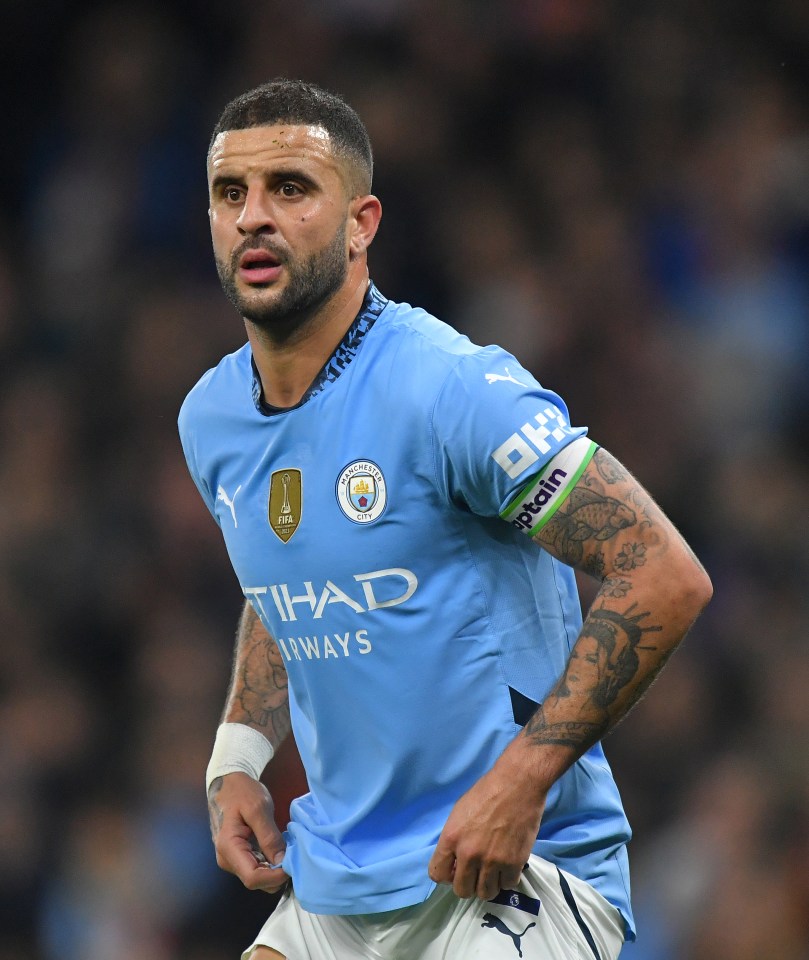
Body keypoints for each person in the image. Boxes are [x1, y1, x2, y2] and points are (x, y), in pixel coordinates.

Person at [178, 78, 712, 960]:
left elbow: (661, 571)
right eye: (231, 194)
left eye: (291, 188)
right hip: (338, 877)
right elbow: (291, 577)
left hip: (510, 870)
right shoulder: (211, 420)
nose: (254, 218)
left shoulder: (449, 390)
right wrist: (236, 756)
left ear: (362, 223)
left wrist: (522, 779)